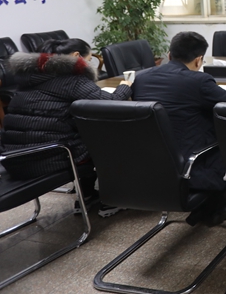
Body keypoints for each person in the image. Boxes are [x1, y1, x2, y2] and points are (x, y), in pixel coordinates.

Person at [0, 38, 132, 217]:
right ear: (77, 56)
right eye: (89, 59)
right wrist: (125, 86)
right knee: (110, 141)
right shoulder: (71, 80)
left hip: (15, 159)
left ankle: (86, 196)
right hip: (50, 157)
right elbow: (111, 102)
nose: (89, 64)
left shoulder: (28, 77)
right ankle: (112, 200)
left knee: (78, 135)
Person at [132, 31, 226, 226]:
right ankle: (221, 203)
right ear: (199, 60)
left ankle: (209, 207)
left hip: (151, 164)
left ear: (169, 55)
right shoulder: (199, 81)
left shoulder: (141, 78)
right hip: (192, 166)